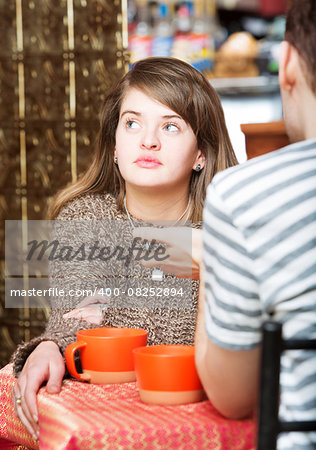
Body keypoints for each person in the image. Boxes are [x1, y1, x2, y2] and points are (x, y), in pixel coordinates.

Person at [10, 56, 237, 440]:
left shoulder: (229, 228)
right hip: (106, 425)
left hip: (201, 423)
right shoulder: (85, 216)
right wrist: (51, 346)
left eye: (171, 126)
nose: (148, 140)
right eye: (132, 123)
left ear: (201, 154)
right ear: (115, 144)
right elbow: (78, 315)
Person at [195, 1, 316, 449]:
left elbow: (233, 396)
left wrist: (208, 257)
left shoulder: (241, 197)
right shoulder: (86, 217)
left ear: (287, 62)